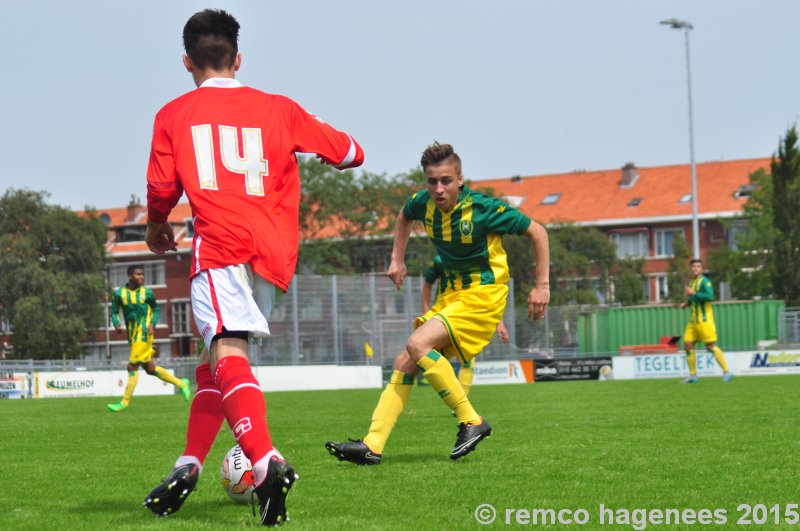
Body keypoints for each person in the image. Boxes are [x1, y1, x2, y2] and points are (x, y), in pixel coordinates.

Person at [141, 9, 364, 526]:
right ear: (238, 58)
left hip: (220, 244)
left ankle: (266, 464)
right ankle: (188, 463)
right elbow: (351, 152)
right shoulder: (279, 108)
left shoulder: (173, 114)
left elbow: (159, 189)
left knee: (226, 348)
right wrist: (327, 151)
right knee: (213, 358)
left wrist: (157, 227)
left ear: (186, 62)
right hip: (273, 251)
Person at [325, 142, 549, 465]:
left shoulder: (484, 209)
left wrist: (542, 286)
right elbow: (403, 216)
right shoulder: (422, 204)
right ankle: (373, 443)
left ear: (460, 179)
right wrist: (396, 259)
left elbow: (538, 232)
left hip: (482, 295)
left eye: (446, 180)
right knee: (405, 359)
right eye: (432, 181)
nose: (439, 188)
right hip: (452, 296)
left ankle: (470, 419)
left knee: (416, 343)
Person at [421, 254, 509, 397]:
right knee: (423, 353)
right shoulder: (439, 260)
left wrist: (500, 324)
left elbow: (488, 296)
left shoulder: (474, 257)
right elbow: (427, 286)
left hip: (466, 312)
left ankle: (460, 403)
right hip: (443, 312)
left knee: (468, 359)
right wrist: (426, 313)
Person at [106, 265, 190, 412]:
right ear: (130, 276)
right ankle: (181, 383)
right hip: (133, 336)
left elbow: (156, 309)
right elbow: (113, 311)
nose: (142, 277)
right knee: (150, 369)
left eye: (143, 274)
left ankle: (123, 403)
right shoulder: (120, 294)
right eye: (138, 274)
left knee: (131, 366)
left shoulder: (148, 293)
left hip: (144, 334)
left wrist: (153, 323)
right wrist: (116, 323)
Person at [680, 259, 733, 383]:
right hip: (693, 320)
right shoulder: (692, 281)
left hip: (705, 320)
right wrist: (686, 304)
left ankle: (727, 372)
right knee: (687, 346)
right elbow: (694, 298)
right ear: (691, 268)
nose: (696, 268)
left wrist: (694, 292)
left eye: (698, 266)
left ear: (701, 269)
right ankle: (693, 376)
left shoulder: (705, 282)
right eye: (694, 266)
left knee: (710, 346)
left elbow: (710, 297)